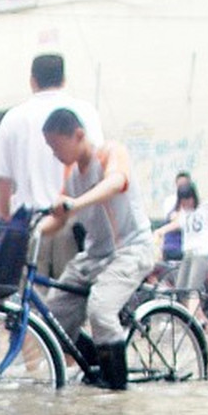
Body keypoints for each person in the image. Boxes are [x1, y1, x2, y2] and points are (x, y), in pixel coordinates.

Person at [36, 107, 152, 391]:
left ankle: (115, 387)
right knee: (53, 315)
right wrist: (34, 229)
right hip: (94, 257)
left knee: (100, 309)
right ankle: (94, 365)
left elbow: (115, 183)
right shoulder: (72, 173)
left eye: (56, 146)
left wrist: (75, 203)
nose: (54, 153)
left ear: (78, 135)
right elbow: (59, 218)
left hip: (131, 250)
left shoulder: (110, 152)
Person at [0, 53, 101, 275]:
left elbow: (2, 181)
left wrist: (4, 221)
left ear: (32, 81)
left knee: (29, 302)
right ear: (64, 79)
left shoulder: (13, 118)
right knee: (70, 299)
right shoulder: (84, 112)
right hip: (74, 222)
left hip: (32, 226)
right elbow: (97, 166)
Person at [154, 181, 208, 322]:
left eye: (188, 200)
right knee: (181, 289)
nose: (186, 203)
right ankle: (200, 319)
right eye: (183, 201)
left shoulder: (207, 207)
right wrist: (162, 230)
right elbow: (178, 224)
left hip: (203, 252)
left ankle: (191, 322)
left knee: (192, 288)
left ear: (194, 197)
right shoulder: (184, 212)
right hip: (189, 252)